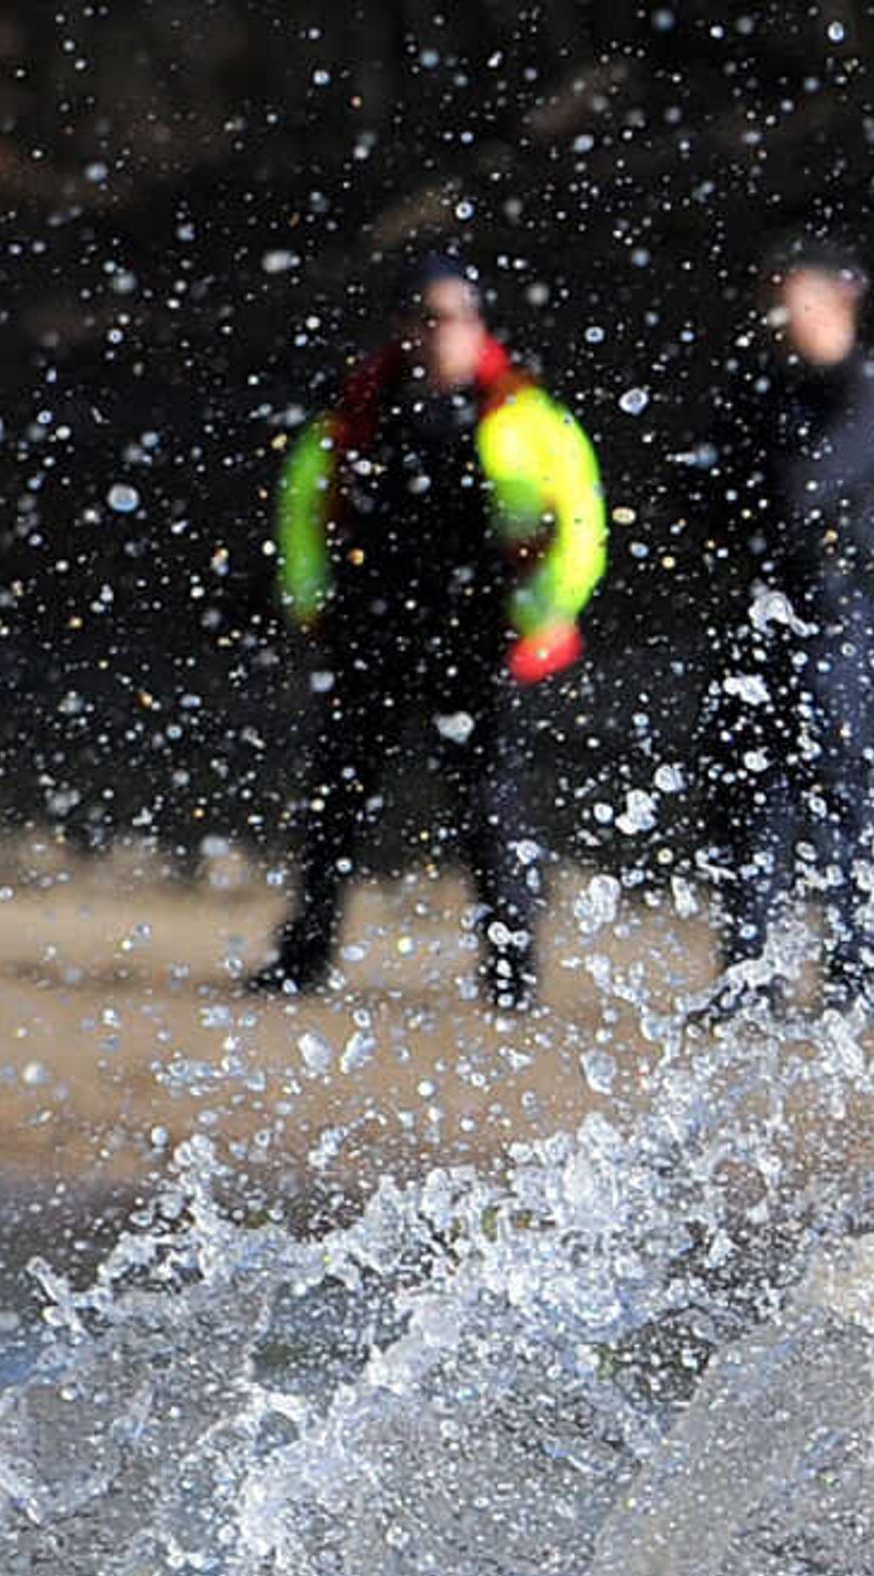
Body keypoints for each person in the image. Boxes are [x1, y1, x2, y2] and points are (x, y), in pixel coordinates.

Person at [254, 253, 606, 1011]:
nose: (439, 334)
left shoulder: (523, 413)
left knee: (490, 805)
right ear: (402, 326)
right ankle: (303, 955)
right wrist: (311, 601)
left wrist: (539, 613)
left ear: (478, 326)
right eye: (425, 317)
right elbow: (303, 511)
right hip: (371, 626)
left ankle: (511, 971)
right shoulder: (357, 411)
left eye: (454, 318)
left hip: (478, 632)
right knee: (336, 801)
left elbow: (579, 522)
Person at [691, 233, 874, 1017]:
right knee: (749, 798)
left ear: (841, 296)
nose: (781, 316)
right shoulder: (756, 386)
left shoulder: (867, 391)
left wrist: (752, 491)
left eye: (796, 298)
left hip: (834, 621)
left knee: (842, 799)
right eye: (773, 299)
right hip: (755, 615)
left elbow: (800, 486)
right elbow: (699, 491)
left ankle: (858, 983)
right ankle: (748, 979)